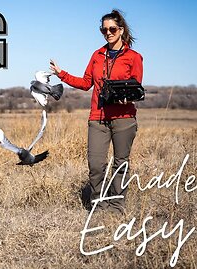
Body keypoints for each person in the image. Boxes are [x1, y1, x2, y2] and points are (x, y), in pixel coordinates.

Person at [49, 9, 143, 214]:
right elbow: (85, 83)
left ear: (121, 30)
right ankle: (99, 205)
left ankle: (117, 206)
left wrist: (127, 96)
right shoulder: (97, 55)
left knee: (120, 163)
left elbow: (136, 87)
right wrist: (61, 74)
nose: (108, 33)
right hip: (98, 118)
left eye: (112, 29)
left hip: (123, 118)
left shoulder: (133, 57)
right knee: (96, 164)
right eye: (104, 30)